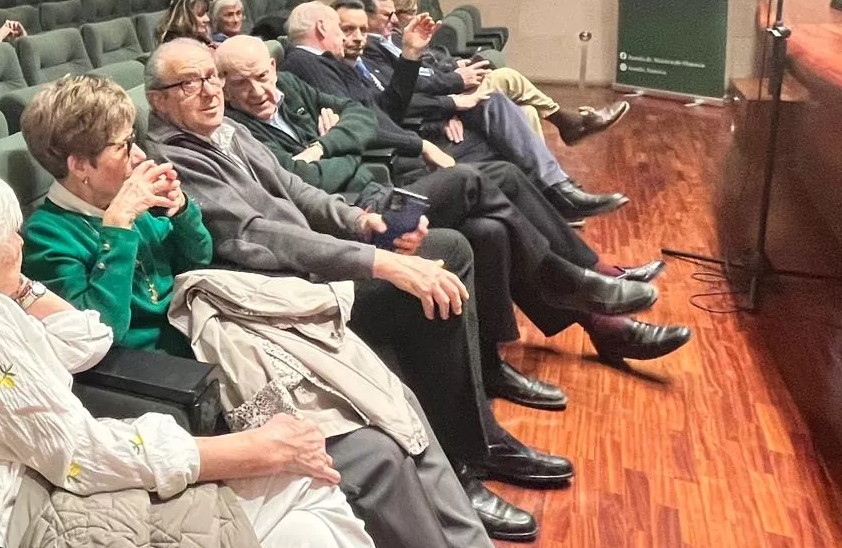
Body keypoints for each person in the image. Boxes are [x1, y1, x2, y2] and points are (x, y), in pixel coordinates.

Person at [19, 75, 508, 548]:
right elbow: (99, 336)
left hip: (228, 340)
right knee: (374, 453)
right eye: (124, 146)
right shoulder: (49, 236)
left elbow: (197, 258)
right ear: (79, 165)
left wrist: (182, 210)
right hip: (175, 387)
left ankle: (469, 545)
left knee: (392, 406)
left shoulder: (128, 200)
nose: (137, 156)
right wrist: (118, 228)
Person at [0, 163, 383, 548]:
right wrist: (249, 450)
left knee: (306, 497)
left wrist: (17, 284)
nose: (21, 243)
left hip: (39, 495)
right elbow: (78, 457)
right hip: (22, 528)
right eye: (12, 237)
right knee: (303, 498)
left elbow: (86, 340)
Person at [141, 39, 574, 533]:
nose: (209, 90)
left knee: (461, 241)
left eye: (210, 77)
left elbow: (297, 189)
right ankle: (463, 463)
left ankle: (479, 434)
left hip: (308, 265)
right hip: (275, 294)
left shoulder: (226, 130)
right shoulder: (174, 157)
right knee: (440, 258)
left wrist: (360, 222)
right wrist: (378, 262)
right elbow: (257, 236)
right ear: (158, 99)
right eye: (189, 83)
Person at [215, 35, 687, 373]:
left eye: (261, 77)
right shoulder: (238, 130)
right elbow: (303, 179)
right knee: (472, 179)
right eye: (240, 84)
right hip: (357, 220)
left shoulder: (291, 88)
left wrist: (327, 144)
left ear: (273, 68)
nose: (257, 92)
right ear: (223, 85)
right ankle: (587, 286)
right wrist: (343, 148)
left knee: (490, 223)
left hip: (383, 191)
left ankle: (510, 358)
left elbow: (362, 117)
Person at [283, 1, 626, 219]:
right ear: (323, 28)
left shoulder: (330, 63)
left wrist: (411, 55)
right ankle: (558, 198)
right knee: (506, 151)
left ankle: (558, 195)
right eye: (343, 29)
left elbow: (384, 108)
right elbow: (367, 121)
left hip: (409, 138)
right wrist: (432, 129)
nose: (353, 38)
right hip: (398, 159)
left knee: (509, 119)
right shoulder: (309, 63)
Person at [352, 0, 629, 146]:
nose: (395, 20)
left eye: (395, 14)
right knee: (507, 77)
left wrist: (456, 65)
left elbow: (429, 66)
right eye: (389, 15)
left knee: (528, 112)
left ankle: (549, 187)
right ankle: (567, 123)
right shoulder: (369, 49)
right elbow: (410, 86)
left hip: (447, 89)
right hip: (441, 102)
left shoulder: (394, 38)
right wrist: (455, 86)